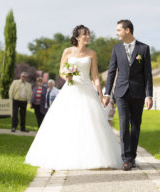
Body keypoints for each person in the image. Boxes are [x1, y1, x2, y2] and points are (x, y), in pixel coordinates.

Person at [25, 25, 123, 170]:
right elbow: (61, 71)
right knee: (67, 121)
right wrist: (67, 76)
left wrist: (101, 94)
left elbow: (95, 76)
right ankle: (65, 156)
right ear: (77, 37)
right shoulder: (68, 51)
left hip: (87, 90)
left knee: (91, 123)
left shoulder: (92, 53)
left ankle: (94, 157)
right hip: (70, 90)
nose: (88, 37)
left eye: (88, 34)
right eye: (85, 35)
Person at [103, 19, 153, 171]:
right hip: (121, 92)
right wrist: (107, 93)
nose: (116, 33)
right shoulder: (116, 49)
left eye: (118, 30)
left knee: (135, 125)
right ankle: (126, 158)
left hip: (138, 93)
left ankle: (132, 156)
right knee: (124, 124)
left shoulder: (144, 48)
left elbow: (148, 74)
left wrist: (149, 95)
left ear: (127, 30)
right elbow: (112, 72)